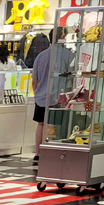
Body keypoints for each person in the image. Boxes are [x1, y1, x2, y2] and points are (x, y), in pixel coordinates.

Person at [30, 31, 70, 161]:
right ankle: (55, 153)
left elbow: (34, 81)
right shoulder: (67, 55)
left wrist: (37, 93)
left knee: (41, 124)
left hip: (41, 96)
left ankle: (38, 153)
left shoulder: (40, 56)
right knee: (57, 126)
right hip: (59, 96)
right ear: (62, 37)